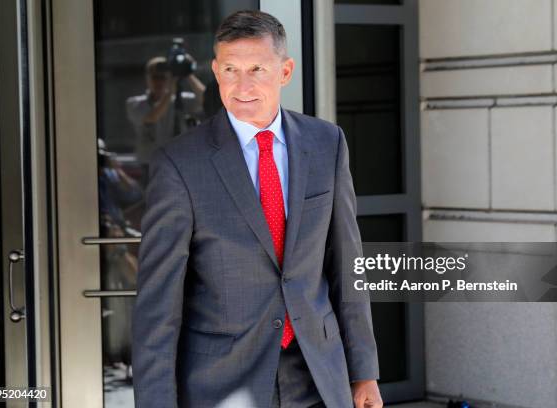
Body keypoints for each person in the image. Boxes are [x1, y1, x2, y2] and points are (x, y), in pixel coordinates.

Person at [132, 10, 382, 408]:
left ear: (285, 71)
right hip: (223, 383)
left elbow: (346, 266)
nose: (242, 85)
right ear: (215, 70)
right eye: (230, 69)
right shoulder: (180, 163)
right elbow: (158, 305)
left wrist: (363, 371)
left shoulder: (326, 143)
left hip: (318, 375)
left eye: (257, 69)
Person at [126, 56, 206, 165]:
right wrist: (170, 93)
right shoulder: (135, 103)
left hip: (178, 164)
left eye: (163, 77)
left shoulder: (180, 100)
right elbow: (152, 117)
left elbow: (207, 100)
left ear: (169, 78)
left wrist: (188, 74)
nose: (158, 81)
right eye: (155, 77)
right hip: (150, 165)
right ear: (147, 78)